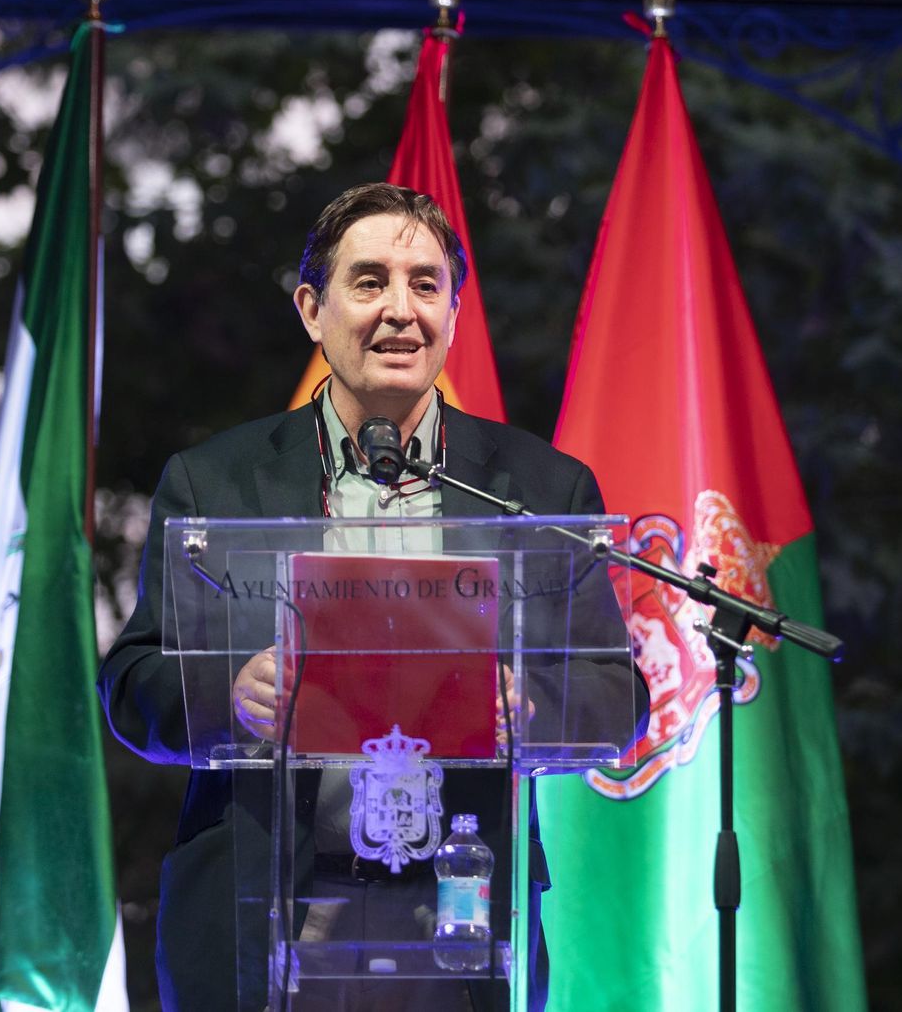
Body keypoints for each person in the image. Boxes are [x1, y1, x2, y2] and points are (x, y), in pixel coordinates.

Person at [99, 183, 647, 1012]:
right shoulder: (214, 482)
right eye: (370, 282)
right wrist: (232, 692)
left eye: (426, 285)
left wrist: (530, 705)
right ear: (313, 309)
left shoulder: (538, 490)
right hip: (268, 914)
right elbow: (133, 685)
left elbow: (620, 696)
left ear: (454, 315)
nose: (401, 310)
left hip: (462, 907)